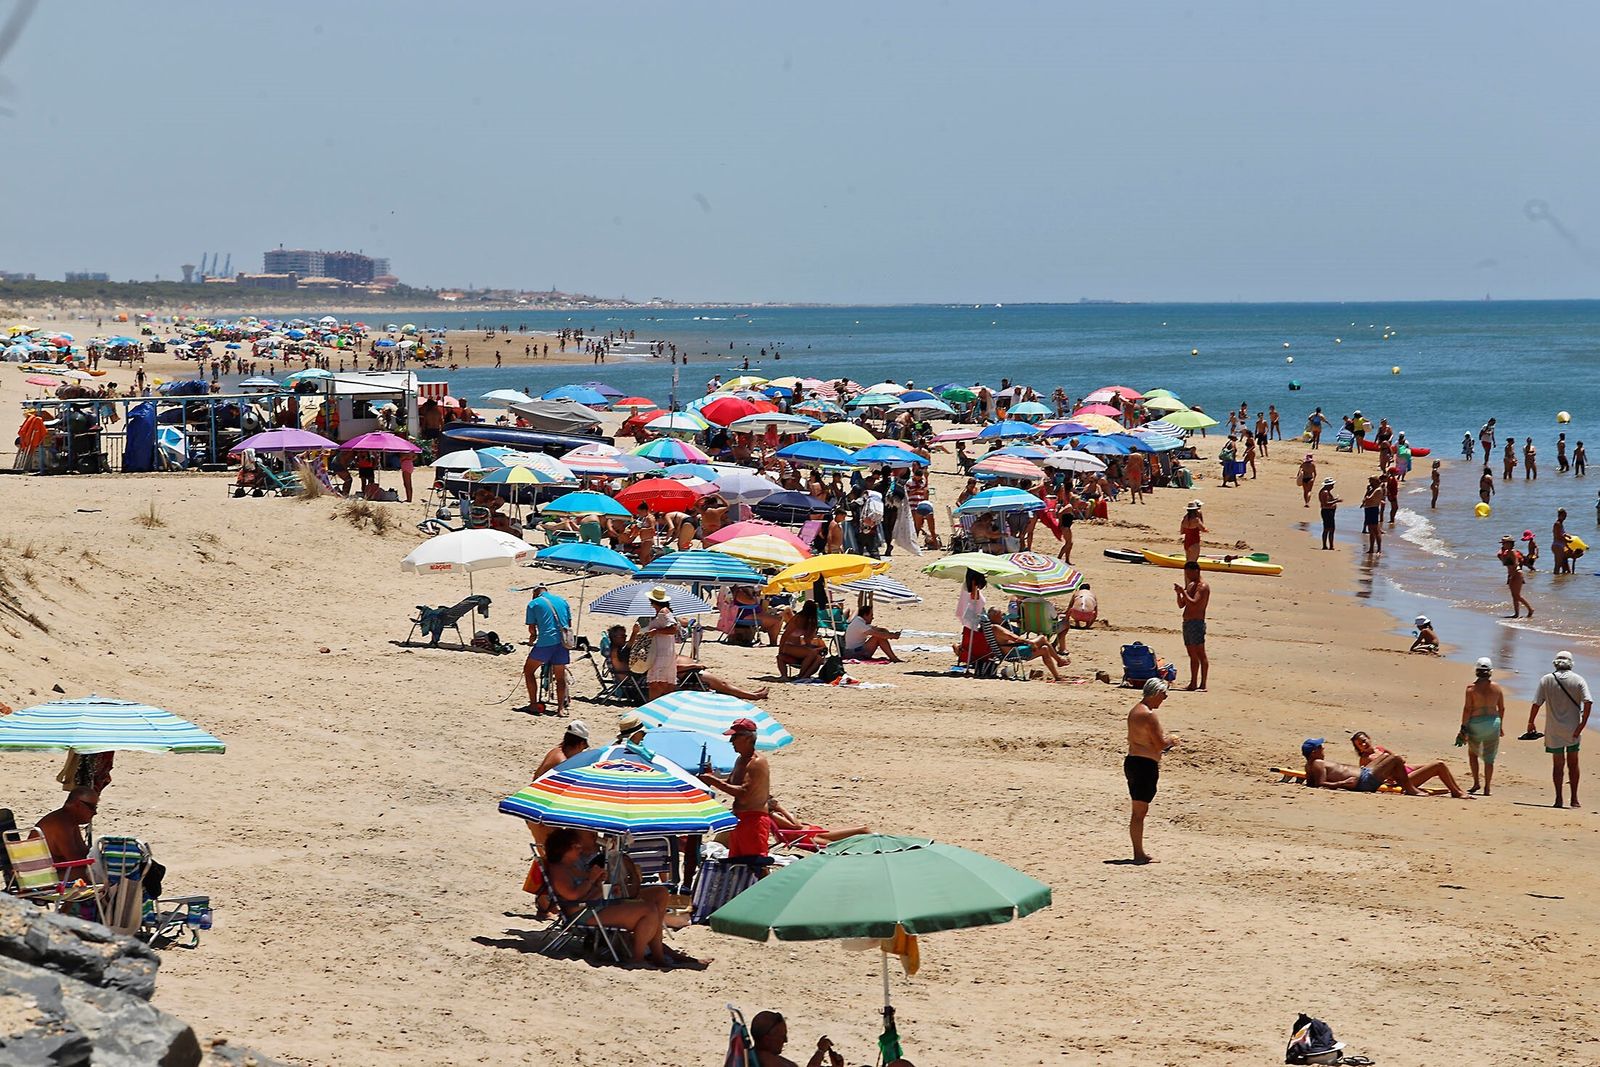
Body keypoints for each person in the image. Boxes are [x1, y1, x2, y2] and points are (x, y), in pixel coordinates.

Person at [544, 827, 668, 968]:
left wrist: (598, 883)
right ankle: (638, 958)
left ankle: (657, 956)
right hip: (583, 913)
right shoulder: (559, 870)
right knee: (648, 910)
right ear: (564, 848)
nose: (580, 849)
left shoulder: (571, 866)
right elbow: (573, 896)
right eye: (576, 846)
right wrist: (591, 880)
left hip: (592, 906)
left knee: (656, 899)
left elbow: (586, 891)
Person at [1527, 651, 1592, 808]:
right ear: (1571, 663)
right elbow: (1588, 702)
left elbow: (1536, 703)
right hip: (1573, 730)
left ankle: (1558, 799)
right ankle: (1574, 799)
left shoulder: (1546, 680)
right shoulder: (1578, 680)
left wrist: (1531, 722)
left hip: (1553, 730)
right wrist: (1582, 724)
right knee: (1573, 763)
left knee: (1558, 765)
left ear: (1555, 663)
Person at [700, 718, 772, 860]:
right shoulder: (740, 760)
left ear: (746, 738)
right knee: (736, 861)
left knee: (755, 863)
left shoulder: (756, 762)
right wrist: (710, 776)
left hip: (754, 820)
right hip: (739, 818)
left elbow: (744, 793)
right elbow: (730, 783)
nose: (731, 741)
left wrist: (713, 780)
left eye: (735, 737)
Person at [1302, 738, 1469, 797]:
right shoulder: (1317, 763)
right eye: (1321, 746)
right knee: (1395, 758)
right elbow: (1320, 784)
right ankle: (1411, 789)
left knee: (1388, 757)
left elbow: (1312, 783)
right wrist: (1343, 783)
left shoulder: (1312, 765)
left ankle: (1455, 790)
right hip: (1363, 780)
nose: (1323, 748)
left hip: (1364, 775)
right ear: (1315, 751)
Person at [1124, 678, 1175, 864]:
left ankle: (1139, 852)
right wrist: (1172, 740)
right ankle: (1138, 854)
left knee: (1138, 811)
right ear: (1155, 693)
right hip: (1143, 765)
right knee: (1139, 812)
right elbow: (1160, 744)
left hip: (1134, 762)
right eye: (1163, 694)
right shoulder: (1148, 715)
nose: (1165, 697)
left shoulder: (1135, 710)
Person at [523, 581, 572, 713]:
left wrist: (532, 638)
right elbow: (568, 623)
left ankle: (533, 704)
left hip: (546, 642)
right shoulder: (562, 601)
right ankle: (560, 708)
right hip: (563, 642)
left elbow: (532, 628)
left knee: (528, 670)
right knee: (560, 677)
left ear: (534, 593)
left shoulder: (533, 604)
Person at [984, 606, 1069, 681]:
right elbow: (1014, 638)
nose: (1003, 617)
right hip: (1013, 652)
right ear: (995, 617)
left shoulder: (993, 627)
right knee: (1042, 639)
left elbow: (1013, 637)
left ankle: (1057, 676)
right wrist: (1029, 642)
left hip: (1013, 649)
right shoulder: (996, 628)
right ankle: (1059, 661)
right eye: (1001, 615)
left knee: (1044, 649)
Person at [1459, 658, 1504, 795]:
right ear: (1490, 672)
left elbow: (1467, 709)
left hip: (1476, 723)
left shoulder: (1471, 688)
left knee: (1473, 754)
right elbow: (1501, 708)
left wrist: (1463, 727)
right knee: (1489, 758)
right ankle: (1487, 787)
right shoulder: (1497, 688)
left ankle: (1476, 783)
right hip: (1493, 723)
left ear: (1476, 671)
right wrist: (1500, 725)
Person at [766, 797, 871, 850]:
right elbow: (796, 826)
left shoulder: (773, 815)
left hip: (810, 832)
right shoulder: (775, 815)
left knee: (858, 832)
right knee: (862, 830)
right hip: (809, 836)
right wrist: (781, 809)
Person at [748, 1011, 844, 1067]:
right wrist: (820, 1051)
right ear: (767, 1039)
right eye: (782, 1036)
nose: (785, 1040)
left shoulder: (751, 1057)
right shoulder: (772, 1063)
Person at [35, 788, 98, 864]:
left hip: (57, 870)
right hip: (47, 873)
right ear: (78, 804)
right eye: (92, 807)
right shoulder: (60, 823)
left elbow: (83, 851)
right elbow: (75, 860)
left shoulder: (70, 820)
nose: (95, 812)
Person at [1174, 560, 1209, 691]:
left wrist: (1183, 592)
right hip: (1187, 622)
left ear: (1196, 571)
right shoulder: (1191, 585)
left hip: (1197, 623)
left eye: (1189, 573)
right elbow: (1182, 604)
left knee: (1200, 653)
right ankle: (1193, 683)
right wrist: (1179, 593)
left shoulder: (1203, 587)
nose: (1187, 576)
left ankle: (1203, 683)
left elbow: (1194, 602)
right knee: (1192, 654)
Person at [642, 586, 680, 700]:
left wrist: (657, 632)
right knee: (663, 682)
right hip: (664, 650)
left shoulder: (664, 612)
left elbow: (674, 629)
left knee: (656, 682)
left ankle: (652, 705)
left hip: (662, 652)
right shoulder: (662, 612)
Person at [777, 601, 827, 680]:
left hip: (796, 646)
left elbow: (807, 639)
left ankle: (803, 676)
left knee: (818, 658)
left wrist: (812, 647)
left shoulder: (810, 620)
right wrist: (780, 650)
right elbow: (785, 635)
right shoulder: (798, 618)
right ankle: (801, 676)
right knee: (811, 653)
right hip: (787, 646)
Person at [1498, 535, 1534, 618]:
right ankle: (1516, 614)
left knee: (1517, 595)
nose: (1503, 545)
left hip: (1516, 573)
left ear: (1510, 543)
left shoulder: (1511, 551)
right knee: (1514, 596)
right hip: (1513, 574)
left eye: (1504, 543)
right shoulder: (1506, 552)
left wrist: (1512, 575)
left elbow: (1516, 564)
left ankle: (1530, 609)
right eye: (1502, 543)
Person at [1360, 477, 1384, 554]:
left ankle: (1379, 549)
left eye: (1371, 481)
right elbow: (1365, 499)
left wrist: (1367, 496)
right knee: (1371, 530)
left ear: (1375, 482)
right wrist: (1367, 491)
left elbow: (1369, 499)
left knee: (1375, 530)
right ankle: (1371, 548)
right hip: (1368, 508)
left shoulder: (1378, 490)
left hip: (1373, 509)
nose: (1370, 483)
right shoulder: (1372, 490)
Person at [1318, 478, 1340, 550]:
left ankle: (1329, 545)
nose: (1333, 486)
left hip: (1328, 511)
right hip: (1327, 511)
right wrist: (1336, 501)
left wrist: (1334, 500)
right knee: (1328, 529)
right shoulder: (1325, 492)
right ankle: (1327, 545)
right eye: (1332, 485)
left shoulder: (1326, 491)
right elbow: (1326, 503)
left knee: (1329, 529)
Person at [1552, 508, 1575, 575]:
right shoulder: (1557, 524)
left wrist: (1567, 536)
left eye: (1566, 516)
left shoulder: (1561, 524)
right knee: (1557, 566)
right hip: (1557, 546)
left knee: (1565, 565)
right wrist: (1568, 541)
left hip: (1561, 546)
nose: (1565, 517)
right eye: (1564, 516)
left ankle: (1561, 581)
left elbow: (1562, 534)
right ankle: (1556, 581)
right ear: (1560, 515)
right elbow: (1559, 536)